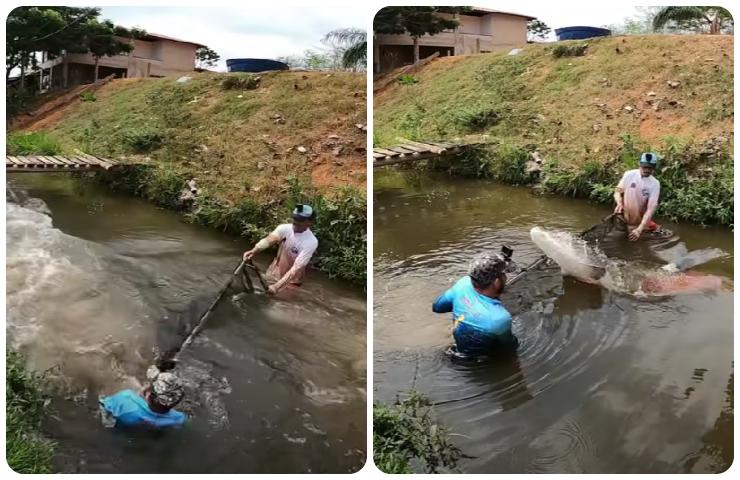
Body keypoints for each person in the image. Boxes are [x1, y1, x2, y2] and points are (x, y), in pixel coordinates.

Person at [432, 253, 516, 358]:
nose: (506, 277)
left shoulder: (463, 283)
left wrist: (464, 305)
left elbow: (437, 307)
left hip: (457, 350)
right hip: (481, 361)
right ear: (497, 282)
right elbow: (509, 346)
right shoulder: (499, 318)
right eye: (504, 274)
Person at [243, 204, 318, 295]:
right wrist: (254, 251)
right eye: (295, 218)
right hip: (273, 273)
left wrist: (276, 287)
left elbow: (297, 268)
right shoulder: (284, 228)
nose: (296, 222)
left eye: (300, 220)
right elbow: (269, 240)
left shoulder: (311, 242)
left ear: (310, 222)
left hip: (291, 282)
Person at [99, 366, 186, 428]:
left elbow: (103, 404)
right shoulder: (179, 419)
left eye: (150, 384)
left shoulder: (126, 398)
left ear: (148, 394)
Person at [613, 152, 661, 241]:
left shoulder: (655, 184)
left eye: (650, 168)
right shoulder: (629, 175)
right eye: (645, 167)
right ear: (640, 165)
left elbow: (651, 209)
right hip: (624, 214)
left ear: (654, 168)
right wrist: (619, 203)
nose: (647, 170)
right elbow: (617, 191)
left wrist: (639, 229)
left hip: (640, 218)